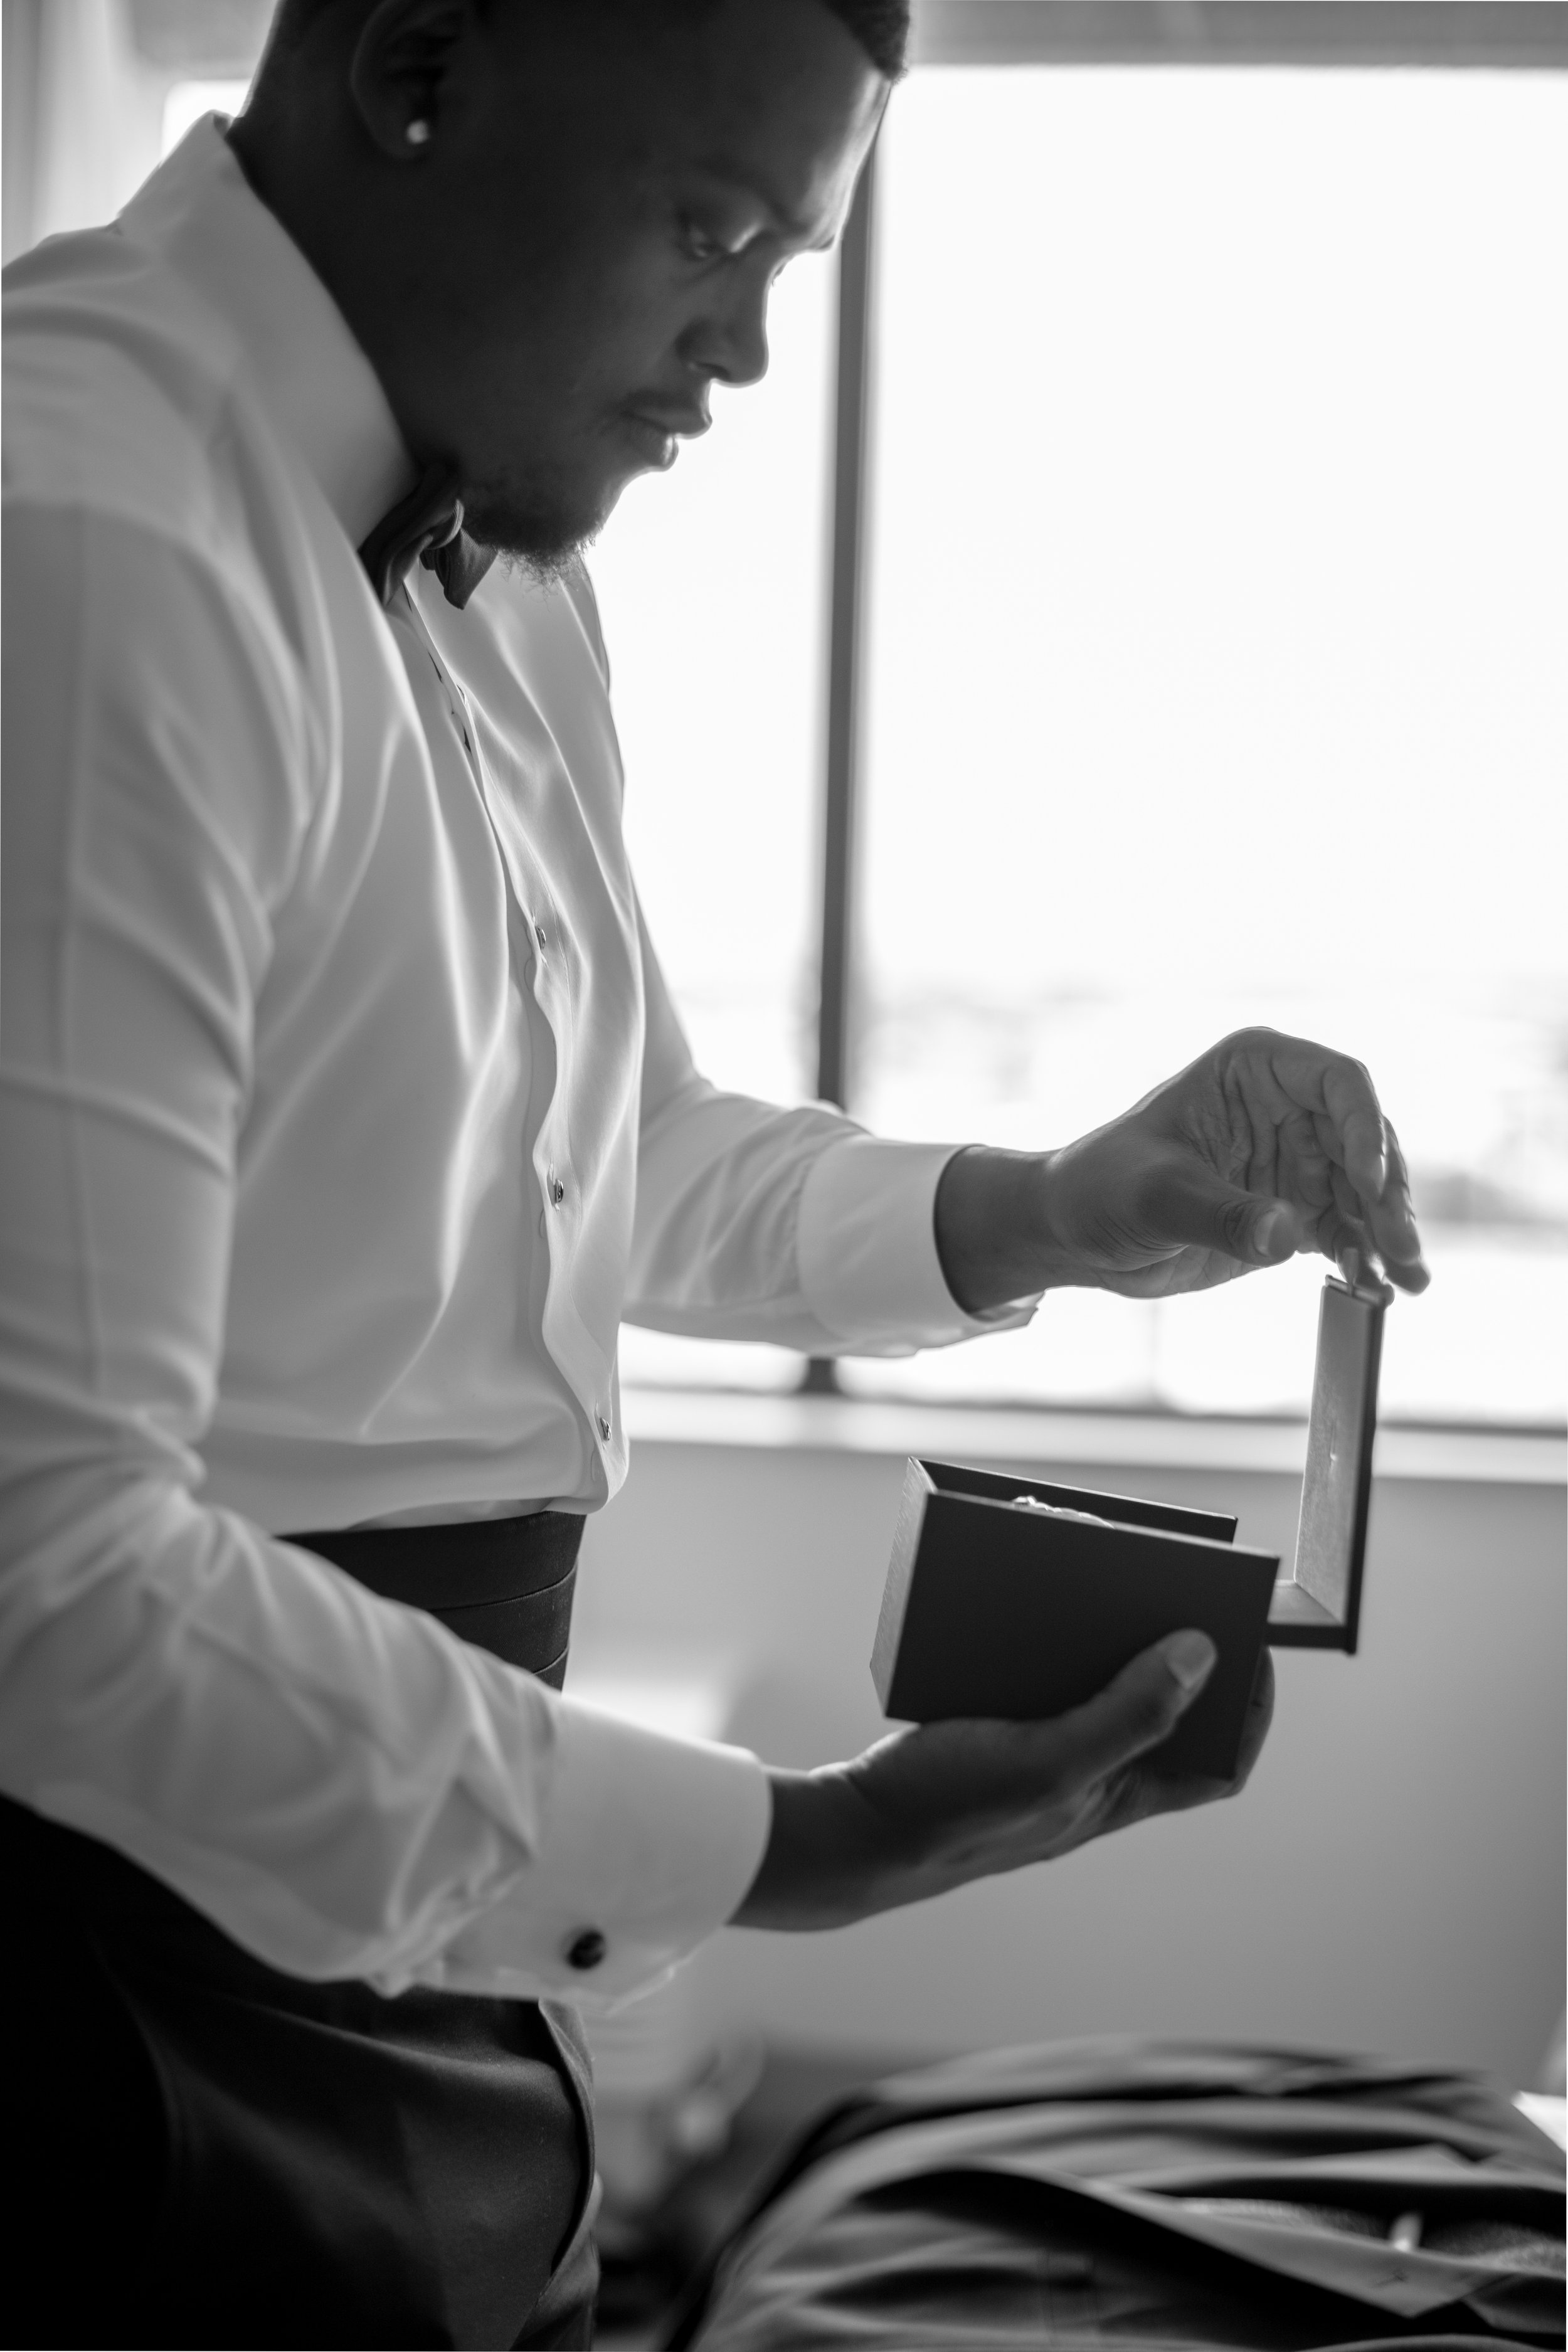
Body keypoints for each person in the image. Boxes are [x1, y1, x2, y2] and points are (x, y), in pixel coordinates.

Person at [0, 0, 1429, 2343]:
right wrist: (797, 1846)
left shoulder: (508, 565)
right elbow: (44, 1574)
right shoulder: (80, 537)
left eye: (799, 253)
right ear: (417, 71)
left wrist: (1048, 1205)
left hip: (444, 1901)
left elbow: (604, 1153)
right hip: (120, 1945)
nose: (754, 351)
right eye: (711, 230)